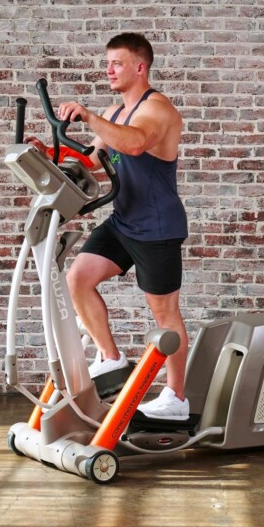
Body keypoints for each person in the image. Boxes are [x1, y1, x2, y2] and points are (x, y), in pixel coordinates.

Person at [56, 33, 190, 420]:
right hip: (123, 220)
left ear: (140, 67)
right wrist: (45, 151)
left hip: (157, 227)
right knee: (78, 278)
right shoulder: (115, 113)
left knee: (165, 315)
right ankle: (111, 358)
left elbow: (134, 144)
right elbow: (91, 159)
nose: (109, 70)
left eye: (117, 63)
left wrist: (88, 116)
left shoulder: (158, 109)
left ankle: (177, 398)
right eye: (108, 63)